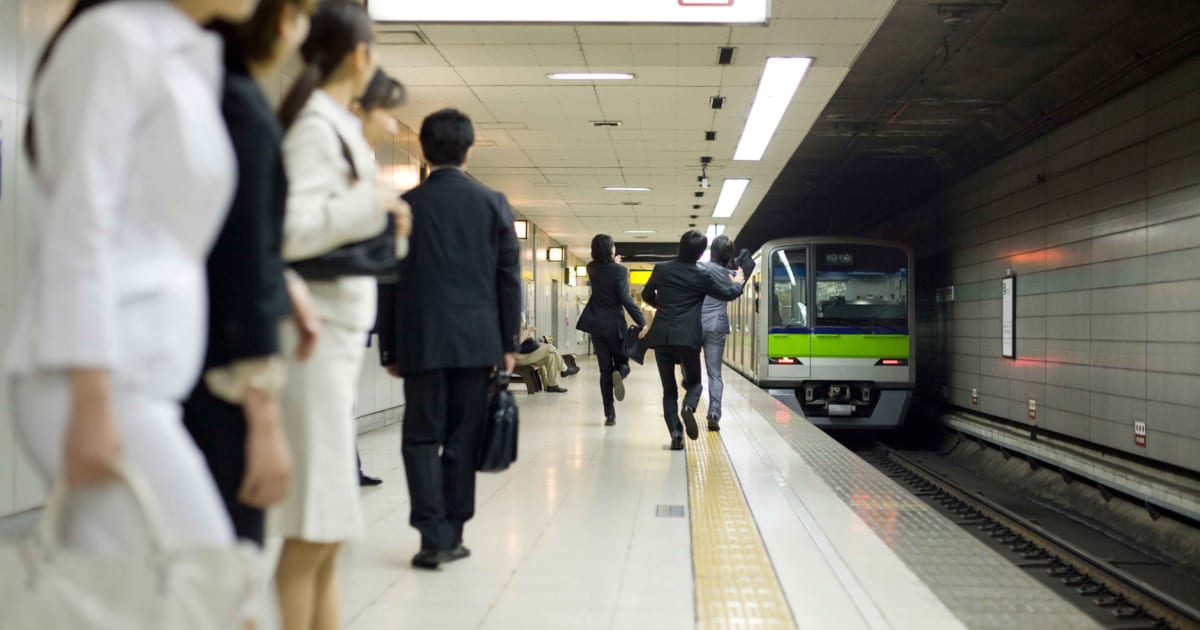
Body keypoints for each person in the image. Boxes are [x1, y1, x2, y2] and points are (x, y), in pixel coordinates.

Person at [5, 0, 256, 555]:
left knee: (158, 600)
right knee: (208, 588)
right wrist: (90, 397)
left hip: (141, 376)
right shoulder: (113, 39)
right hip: (94, 377)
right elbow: (80, 223)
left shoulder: (185, 56)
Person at [272, 2, 409, 628]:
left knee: (328, 531)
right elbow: (292, 231)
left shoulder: (334, 128)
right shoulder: (313, 129)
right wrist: (370, 202)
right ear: (359, 55)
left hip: (334, 341)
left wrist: (385, 217)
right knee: (311, 527)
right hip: (312, 345)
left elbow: (348, 237)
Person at [181, 0, 319, 550]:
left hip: (182, 356)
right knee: (229, 556)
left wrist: (284, 282)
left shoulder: (198, 87)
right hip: (218, 375)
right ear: (279, 19)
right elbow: (245, 255)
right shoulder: (239, 107)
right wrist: (263, 414)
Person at [377, 108, 522, 569]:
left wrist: (390, 346)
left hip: (421, 343)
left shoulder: (404, 206)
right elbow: (508, 280)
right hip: (478, 344)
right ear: (469, 148)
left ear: (423, 148)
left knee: (420, 438)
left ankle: (431, 534)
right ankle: (454, 530)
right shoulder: (493, 204)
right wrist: (508, 345)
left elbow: (389, 280)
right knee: (464, 436)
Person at [349, 68, 408, 488]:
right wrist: (385, 225)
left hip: (348, 314)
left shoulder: (357, 158)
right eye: (386, 113)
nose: (392, 126)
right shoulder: (320, 143)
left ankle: (347, 468)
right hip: (325, 316)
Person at [640, 230, 745, 450]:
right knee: (695, 383)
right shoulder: (700, 275)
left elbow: (646, 295)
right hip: (687, 336)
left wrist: (663, 306)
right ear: (699, 255)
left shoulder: (662, 269)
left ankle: (676, 434)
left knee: (669, 390)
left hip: (662, 337)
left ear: (680, 246)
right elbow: (727, 293)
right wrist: (738, 283)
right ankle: (688, 408)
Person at [576, 234, 645, 426]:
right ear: (610, 249)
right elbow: (625, 299)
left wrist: (611, 263)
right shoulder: (620, 271)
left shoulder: (592, 268)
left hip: (596, 325)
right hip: (615, 324)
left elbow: (603, 272)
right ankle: (621, 373)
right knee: (623, 361)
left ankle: (610, 415)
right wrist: (642, 322)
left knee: (604, 370)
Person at [699, 235, 739, 432]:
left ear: (712, 251)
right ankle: (714, 412)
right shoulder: (731, 274)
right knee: (715, 373)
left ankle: (690, 399)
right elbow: (735, 289)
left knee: (690, 368)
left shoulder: (701, 269)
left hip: (696, 324)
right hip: (717, 326)